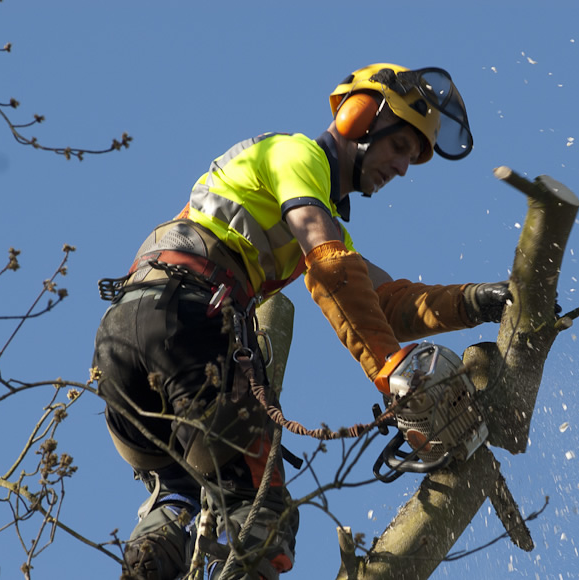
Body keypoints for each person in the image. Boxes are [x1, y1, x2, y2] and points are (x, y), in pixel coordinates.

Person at [91, 63, 511, 580]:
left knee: (181, 494)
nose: (403, 167)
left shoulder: (306, 200)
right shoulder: (296, 156)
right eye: (401, 146)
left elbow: (383, 301)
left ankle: (152, 556)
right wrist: (396, 375)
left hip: (122, 342)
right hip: (189, 327)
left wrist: (475, 301)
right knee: (264, 519)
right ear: (360, 119)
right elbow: (329, 266)